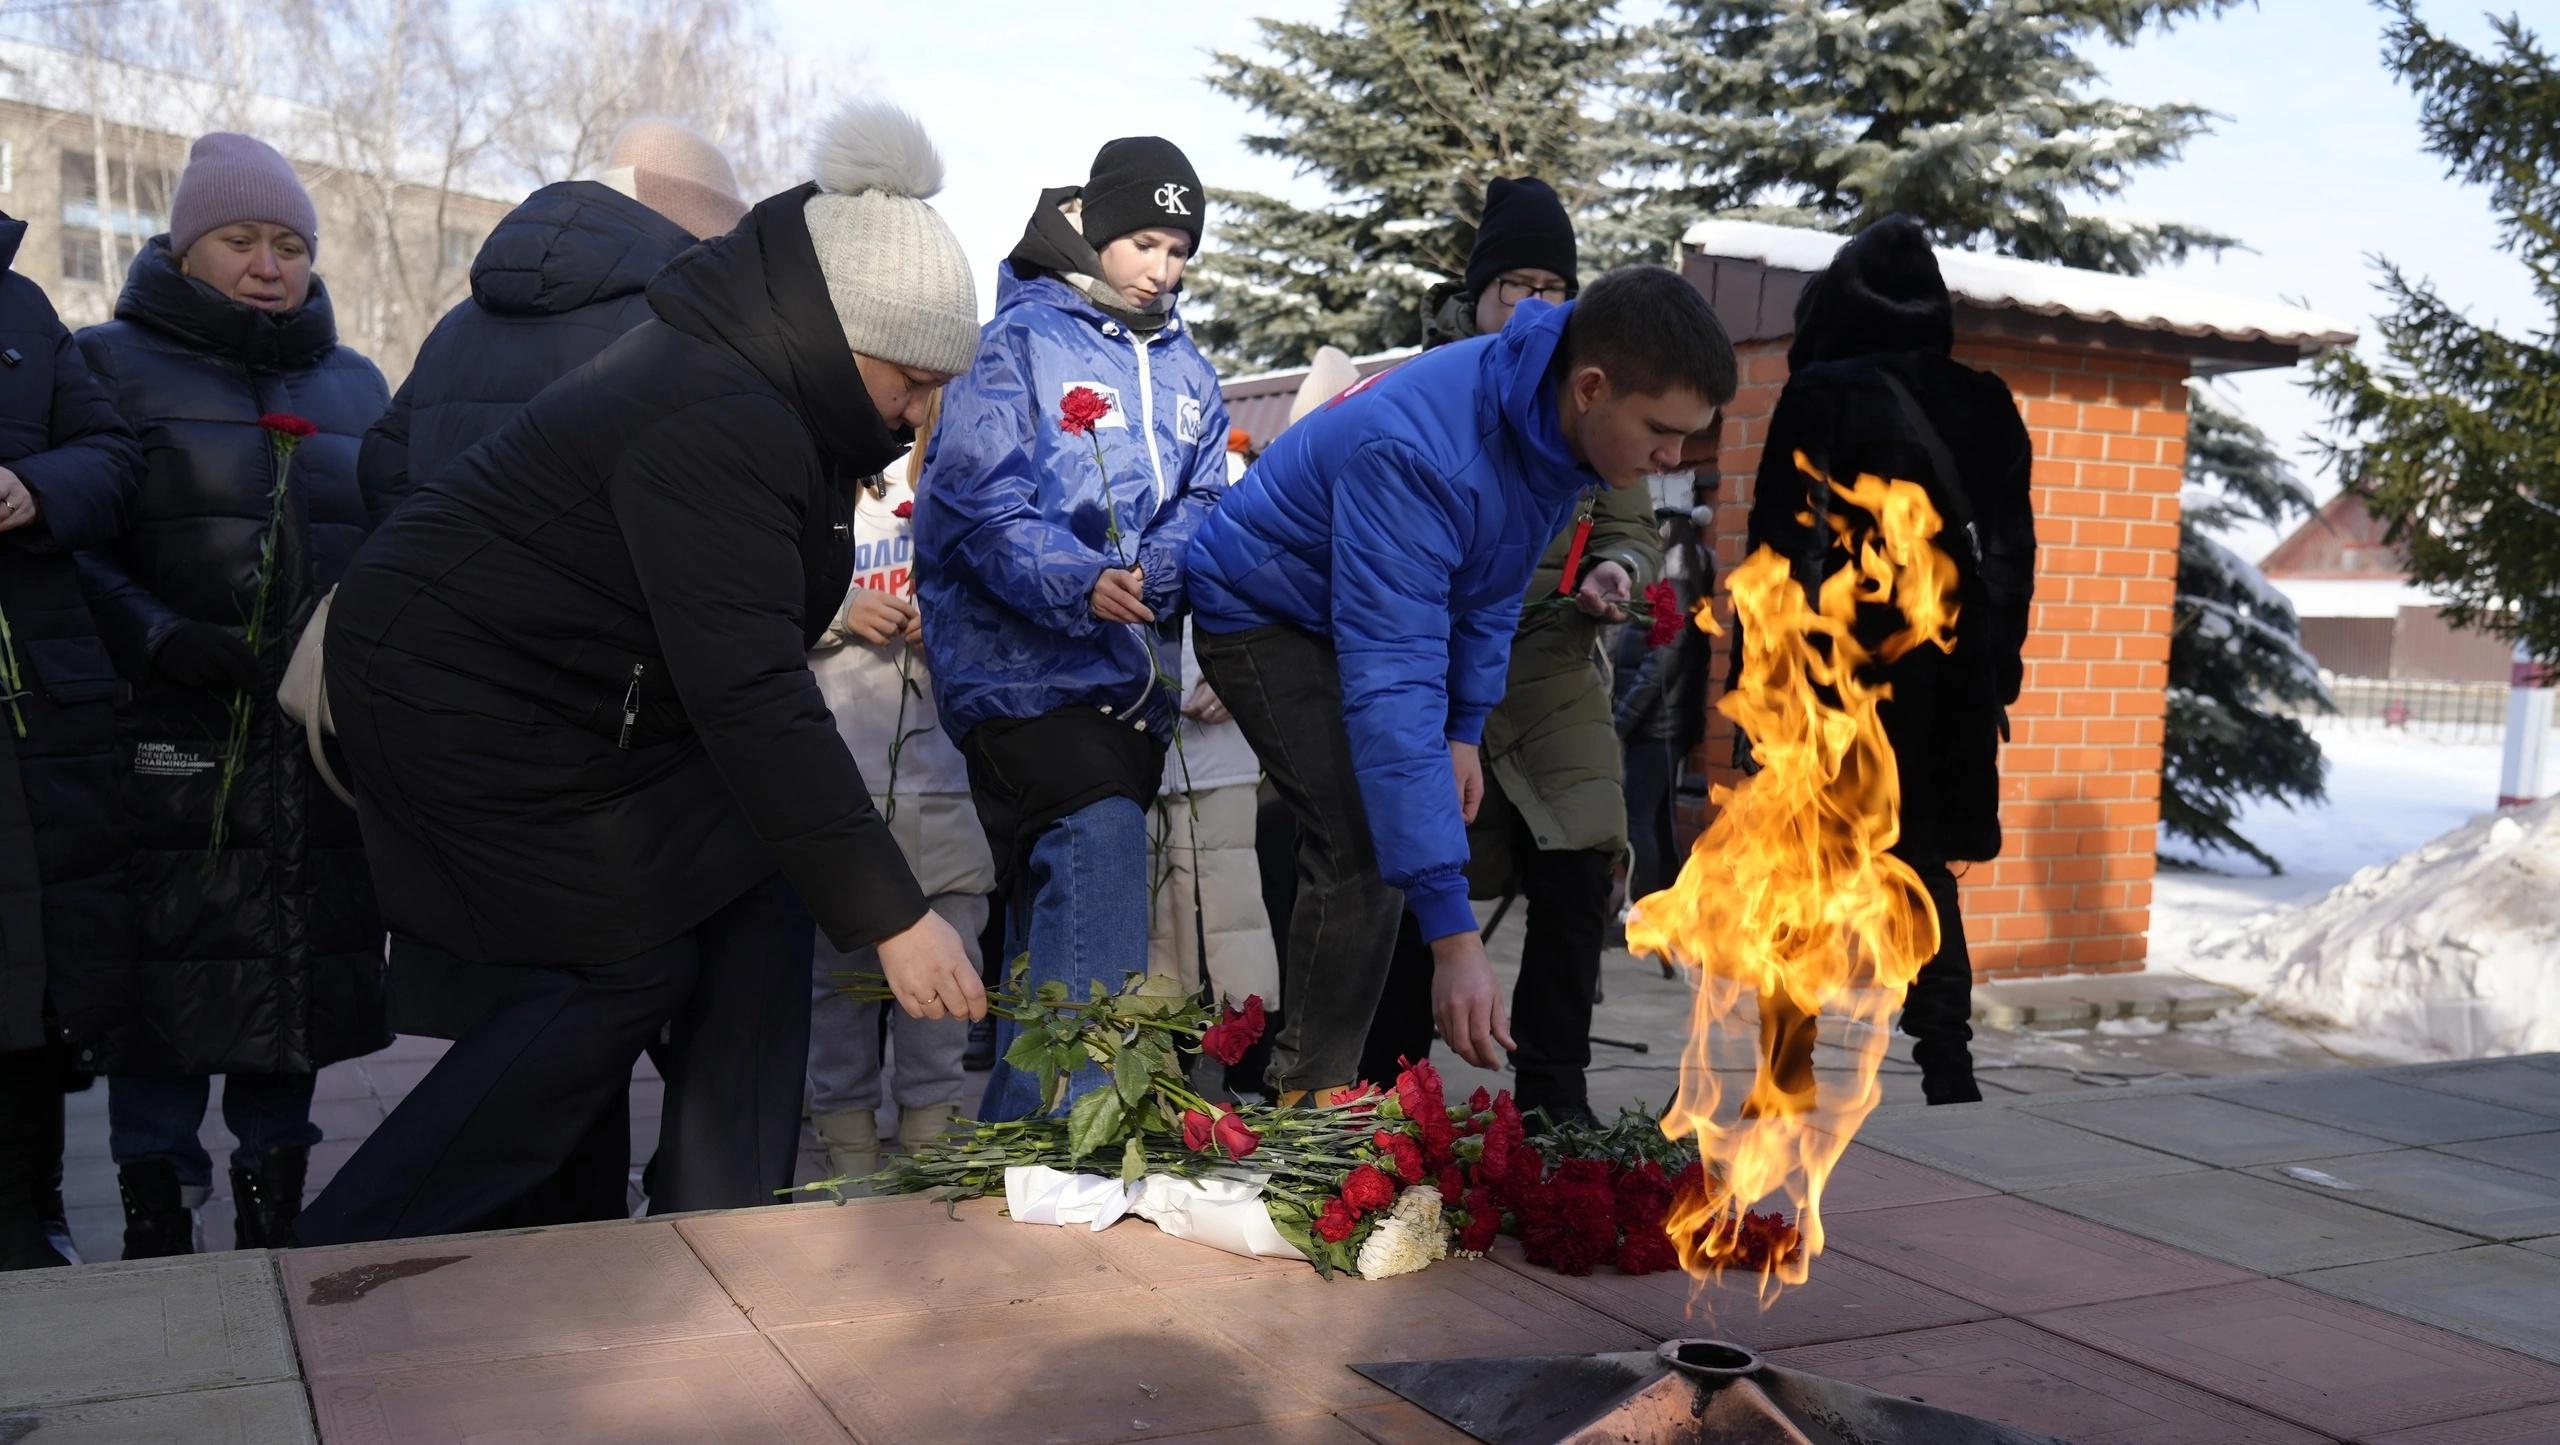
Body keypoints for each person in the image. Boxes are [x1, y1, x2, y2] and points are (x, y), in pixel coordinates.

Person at [295, 100, 988, 1246]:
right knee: (614, 967)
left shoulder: (778, 394)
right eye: (910, 380)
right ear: (839, 329)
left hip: (575, 709)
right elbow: (751, 688)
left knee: (761, 897)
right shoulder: (718, 411)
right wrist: (897, 914)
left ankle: (725, 1231)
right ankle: (353, 1242)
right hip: (455, 704)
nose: (917, 413)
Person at [1186, 266, 1735, 1103]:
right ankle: (1308, 1101)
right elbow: (1392, 683)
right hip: (1263, 605)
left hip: (1348, 609)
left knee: (1387, 814)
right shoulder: (1427, 452)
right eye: (1663, 431)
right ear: (1592, 387)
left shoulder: (1551, 430)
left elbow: (1487, 594)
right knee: (1364, 839)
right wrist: (1453, 936)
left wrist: (1465, 730)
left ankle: (1324, 1086)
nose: (1673, 460)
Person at [353, 118, 747, 1227]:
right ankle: (697, 1228)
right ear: (695, 226)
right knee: (627, 985)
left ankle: (543, 1244)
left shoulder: (456, 328)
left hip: (465, 732)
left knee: (536, 1013)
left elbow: (381, 487)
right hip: (619, 728)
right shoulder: (670, 327)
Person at [66, 134, 391, 1256]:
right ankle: (158, 1211)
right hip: (166, 731)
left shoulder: (354, 384)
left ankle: (274, 1206)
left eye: (290, 244)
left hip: (310, 737)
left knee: (291, 976)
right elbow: (72, 546)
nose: (270, 265)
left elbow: (394, 545)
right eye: (242, 240)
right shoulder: (101, 364)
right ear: (185, 248)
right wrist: (161, 639)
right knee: (162, 977)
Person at [914, 137, 1229, 1122]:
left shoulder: (1193, 374)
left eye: (1181, 250)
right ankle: (1078, 1132)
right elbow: (971, 503)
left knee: (1047, 927)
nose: (1162, 269)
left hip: (1131, 682)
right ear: (1093, 230)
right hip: (1022, 678)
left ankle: (1015, 1142)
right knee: (1096, 848)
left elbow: (1206, 499)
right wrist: (1080, 578)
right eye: (1144, 240)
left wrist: (1155, 570)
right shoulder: (1012, 346)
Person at [1355, 177, 1665, 1125]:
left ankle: (1554, 1105)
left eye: (1554, 283)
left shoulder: (1592, 387)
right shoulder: (1433, 385)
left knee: (1582, 866)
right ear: (1479, 291)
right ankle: (1390, 1099)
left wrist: (1614, 569)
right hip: (1436, 674)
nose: (1535, 303)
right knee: (1412, 871)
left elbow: (1632, 521)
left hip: (1555, 674)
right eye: (1516, 283)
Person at [1745, 215, 2036, 1107]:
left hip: (1834, 678)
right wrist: (1997, 673)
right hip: (1949, 683)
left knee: (1799, 870)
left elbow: (1776, 559)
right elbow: (2015, 559)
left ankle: (1786, 1074)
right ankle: (1948, 1069)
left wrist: (1759, 696)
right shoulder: (1988, 401)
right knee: (1925, 874)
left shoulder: (1822, 396)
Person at [0, 213, 145, 1269]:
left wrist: (33, 487)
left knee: (37, 970)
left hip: (37, 704)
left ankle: (31, 1209)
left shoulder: (21, 305)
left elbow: (111, 454)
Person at [805, 390, 994, 1183]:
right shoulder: (822, 487)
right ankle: (845, 1165)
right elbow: (753, 608)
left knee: (946, 996)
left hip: (949, 787)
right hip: (840, 782)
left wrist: (947, 619)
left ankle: (928, 1158)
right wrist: (846, 609)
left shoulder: (969, 485)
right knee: (837, 997)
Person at [1614, 502, 1715, 904]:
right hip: (1662, 727)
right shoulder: (1682, 584)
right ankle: (1665, 906)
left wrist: (1622, 721)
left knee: (1641, 819)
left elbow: (1659, 666)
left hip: (1655, 729)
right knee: (1656, 818)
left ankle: (1642, 907)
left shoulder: (1674, 590)